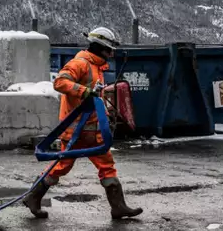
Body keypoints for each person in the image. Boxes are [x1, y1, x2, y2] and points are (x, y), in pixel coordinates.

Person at [22, 27, 143, 220]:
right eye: (108, 50)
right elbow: (60, 82)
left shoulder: (97, 66)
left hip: (93, 131)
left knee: (107, 166)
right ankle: (33, 197)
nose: (111, 54)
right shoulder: (80, 63)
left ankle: (118, 207)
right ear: (99, 48)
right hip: (76, 131)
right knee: (62, 167)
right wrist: (83, 91)